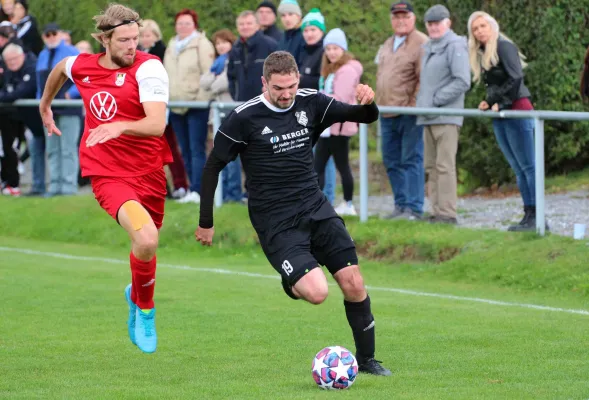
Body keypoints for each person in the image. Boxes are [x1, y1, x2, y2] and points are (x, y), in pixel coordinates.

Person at [195, 51, 391, 376]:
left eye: (291, 86)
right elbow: (212, 166)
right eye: (278, 88)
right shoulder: (244, 117)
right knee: (317, 293)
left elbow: (365, 116)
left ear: (298, 78)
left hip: (315, 207)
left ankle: (368, 360)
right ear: (264, 83)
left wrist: (369, 102)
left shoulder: (311, 102)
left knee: (354, 282)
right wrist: (206, 222)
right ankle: (293, 280)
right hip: (276, 221)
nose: (285, 94)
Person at [38, 3, 171, 354]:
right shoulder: (83, 66)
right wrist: (45, 104)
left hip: (150, 173)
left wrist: (121, 125)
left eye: (136, 38)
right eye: (125, 40)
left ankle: (136, 291)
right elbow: (60, 69)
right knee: (145, 237)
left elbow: (157, 124)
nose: (133, 46)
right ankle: (145, 310)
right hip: (107, 173)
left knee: (148, 243)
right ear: (105, 41)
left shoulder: (150, 68)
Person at [468, 11, 547, 232]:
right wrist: (489, 102)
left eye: (483, 26)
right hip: (501, 111)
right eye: (475, 28)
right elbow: (495, 85)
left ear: (492, 26)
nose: (479, 31)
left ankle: (539, 218)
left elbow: (516, 78)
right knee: (518, 168)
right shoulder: (483, 52)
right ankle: (528, 214)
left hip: (517, 109)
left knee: (529, 166)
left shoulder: (504, 46)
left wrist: (494, 100)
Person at [416, 5, 470, 225]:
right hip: (428, 116)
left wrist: (436, 100)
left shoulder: (456, 45)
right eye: (430, 23)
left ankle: (448, 213)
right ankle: (436, 212)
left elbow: (462, 81)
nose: (433, 27)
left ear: (448, 23)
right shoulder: (428, 46)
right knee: (430, 166)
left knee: (445, 166)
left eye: (437, 23)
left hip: (446, 117)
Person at [376, 1, 428, 220]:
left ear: (413, 19)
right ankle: (401, 205)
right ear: (391, 20)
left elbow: (423, 78)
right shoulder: (388, 43)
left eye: (405, 17)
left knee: (411, 159)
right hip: (385, 112)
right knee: (391, 160)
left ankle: (415, 208)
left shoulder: (421, 42)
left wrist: (413, 104)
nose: (400, 21)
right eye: (396, 17)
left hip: (409, 113)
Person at [314, 28, 363, 216]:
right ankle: (316, 203)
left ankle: (349, 204)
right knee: (318, 166)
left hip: (340, 127)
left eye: (335, 48)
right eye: (328, 49)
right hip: (327, 126)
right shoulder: (329, 69)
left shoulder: (347, 70)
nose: (331, 52)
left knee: (342, 165)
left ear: (343, 49)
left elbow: (340, 98)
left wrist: (318, 98)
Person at [200, 28, 243, 203]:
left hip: (230, 113)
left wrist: (214, 79)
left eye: (224, 42)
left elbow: (220, 83)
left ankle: (234, 194)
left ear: (231, 43)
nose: (221, 46)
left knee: (232, 157)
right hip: (217, 115)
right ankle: (224, 194)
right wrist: (214, 78)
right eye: (218, 43)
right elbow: (204, 82)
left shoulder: (232, 61)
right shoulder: (217, 63)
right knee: (220, 155)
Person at [299, 7, 336, 205]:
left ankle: (327, 197)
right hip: (307, 113)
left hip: (322, 113)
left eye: (313, 29)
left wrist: (302, 79)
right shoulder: (305, 51)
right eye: (306, 30)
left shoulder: (325, 52)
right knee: (312, 158)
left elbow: (321, 80)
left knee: (324, 158)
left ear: (321, 31)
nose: (309, 33)